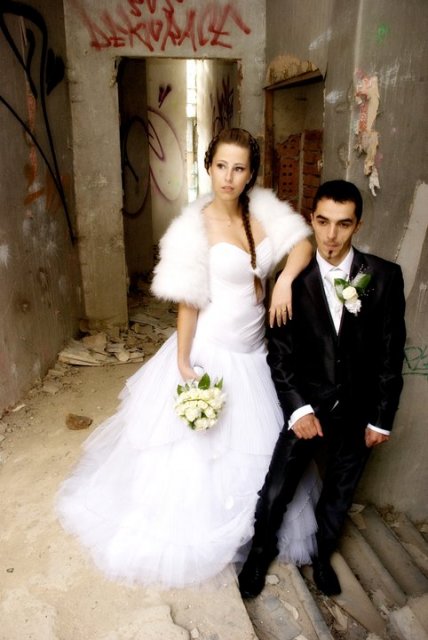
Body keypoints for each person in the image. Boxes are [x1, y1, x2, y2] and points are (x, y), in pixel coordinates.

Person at [56, 128, 321, 588]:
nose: (229, 177)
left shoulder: (264, 211)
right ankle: (207, 533)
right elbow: (188, 303)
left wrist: (283, 280)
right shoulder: (193, 228)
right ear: (208, 167)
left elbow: (302, 243)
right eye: (221, 166)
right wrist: (183, 362)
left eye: (239, 168)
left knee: (259, 449)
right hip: (211, 351)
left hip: (255, 355)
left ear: (250, 174)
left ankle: (253, 530)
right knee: (200, 454)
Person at [238, 179, 406, 599]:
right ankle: (259, 554)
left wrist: (382, 418)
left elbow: (391, 354)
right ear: (311, 219)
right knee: (276, 489)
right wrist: (298, 410)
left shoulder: (384, 277)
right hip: (307, 405)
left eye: (343, 224)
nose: (331, 235)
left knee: (340, 493)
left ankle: (323, 557)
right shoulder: (290, 281)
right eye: (323, 222)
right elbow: (279, 356)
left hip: (359, 407)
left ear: (358, 225)